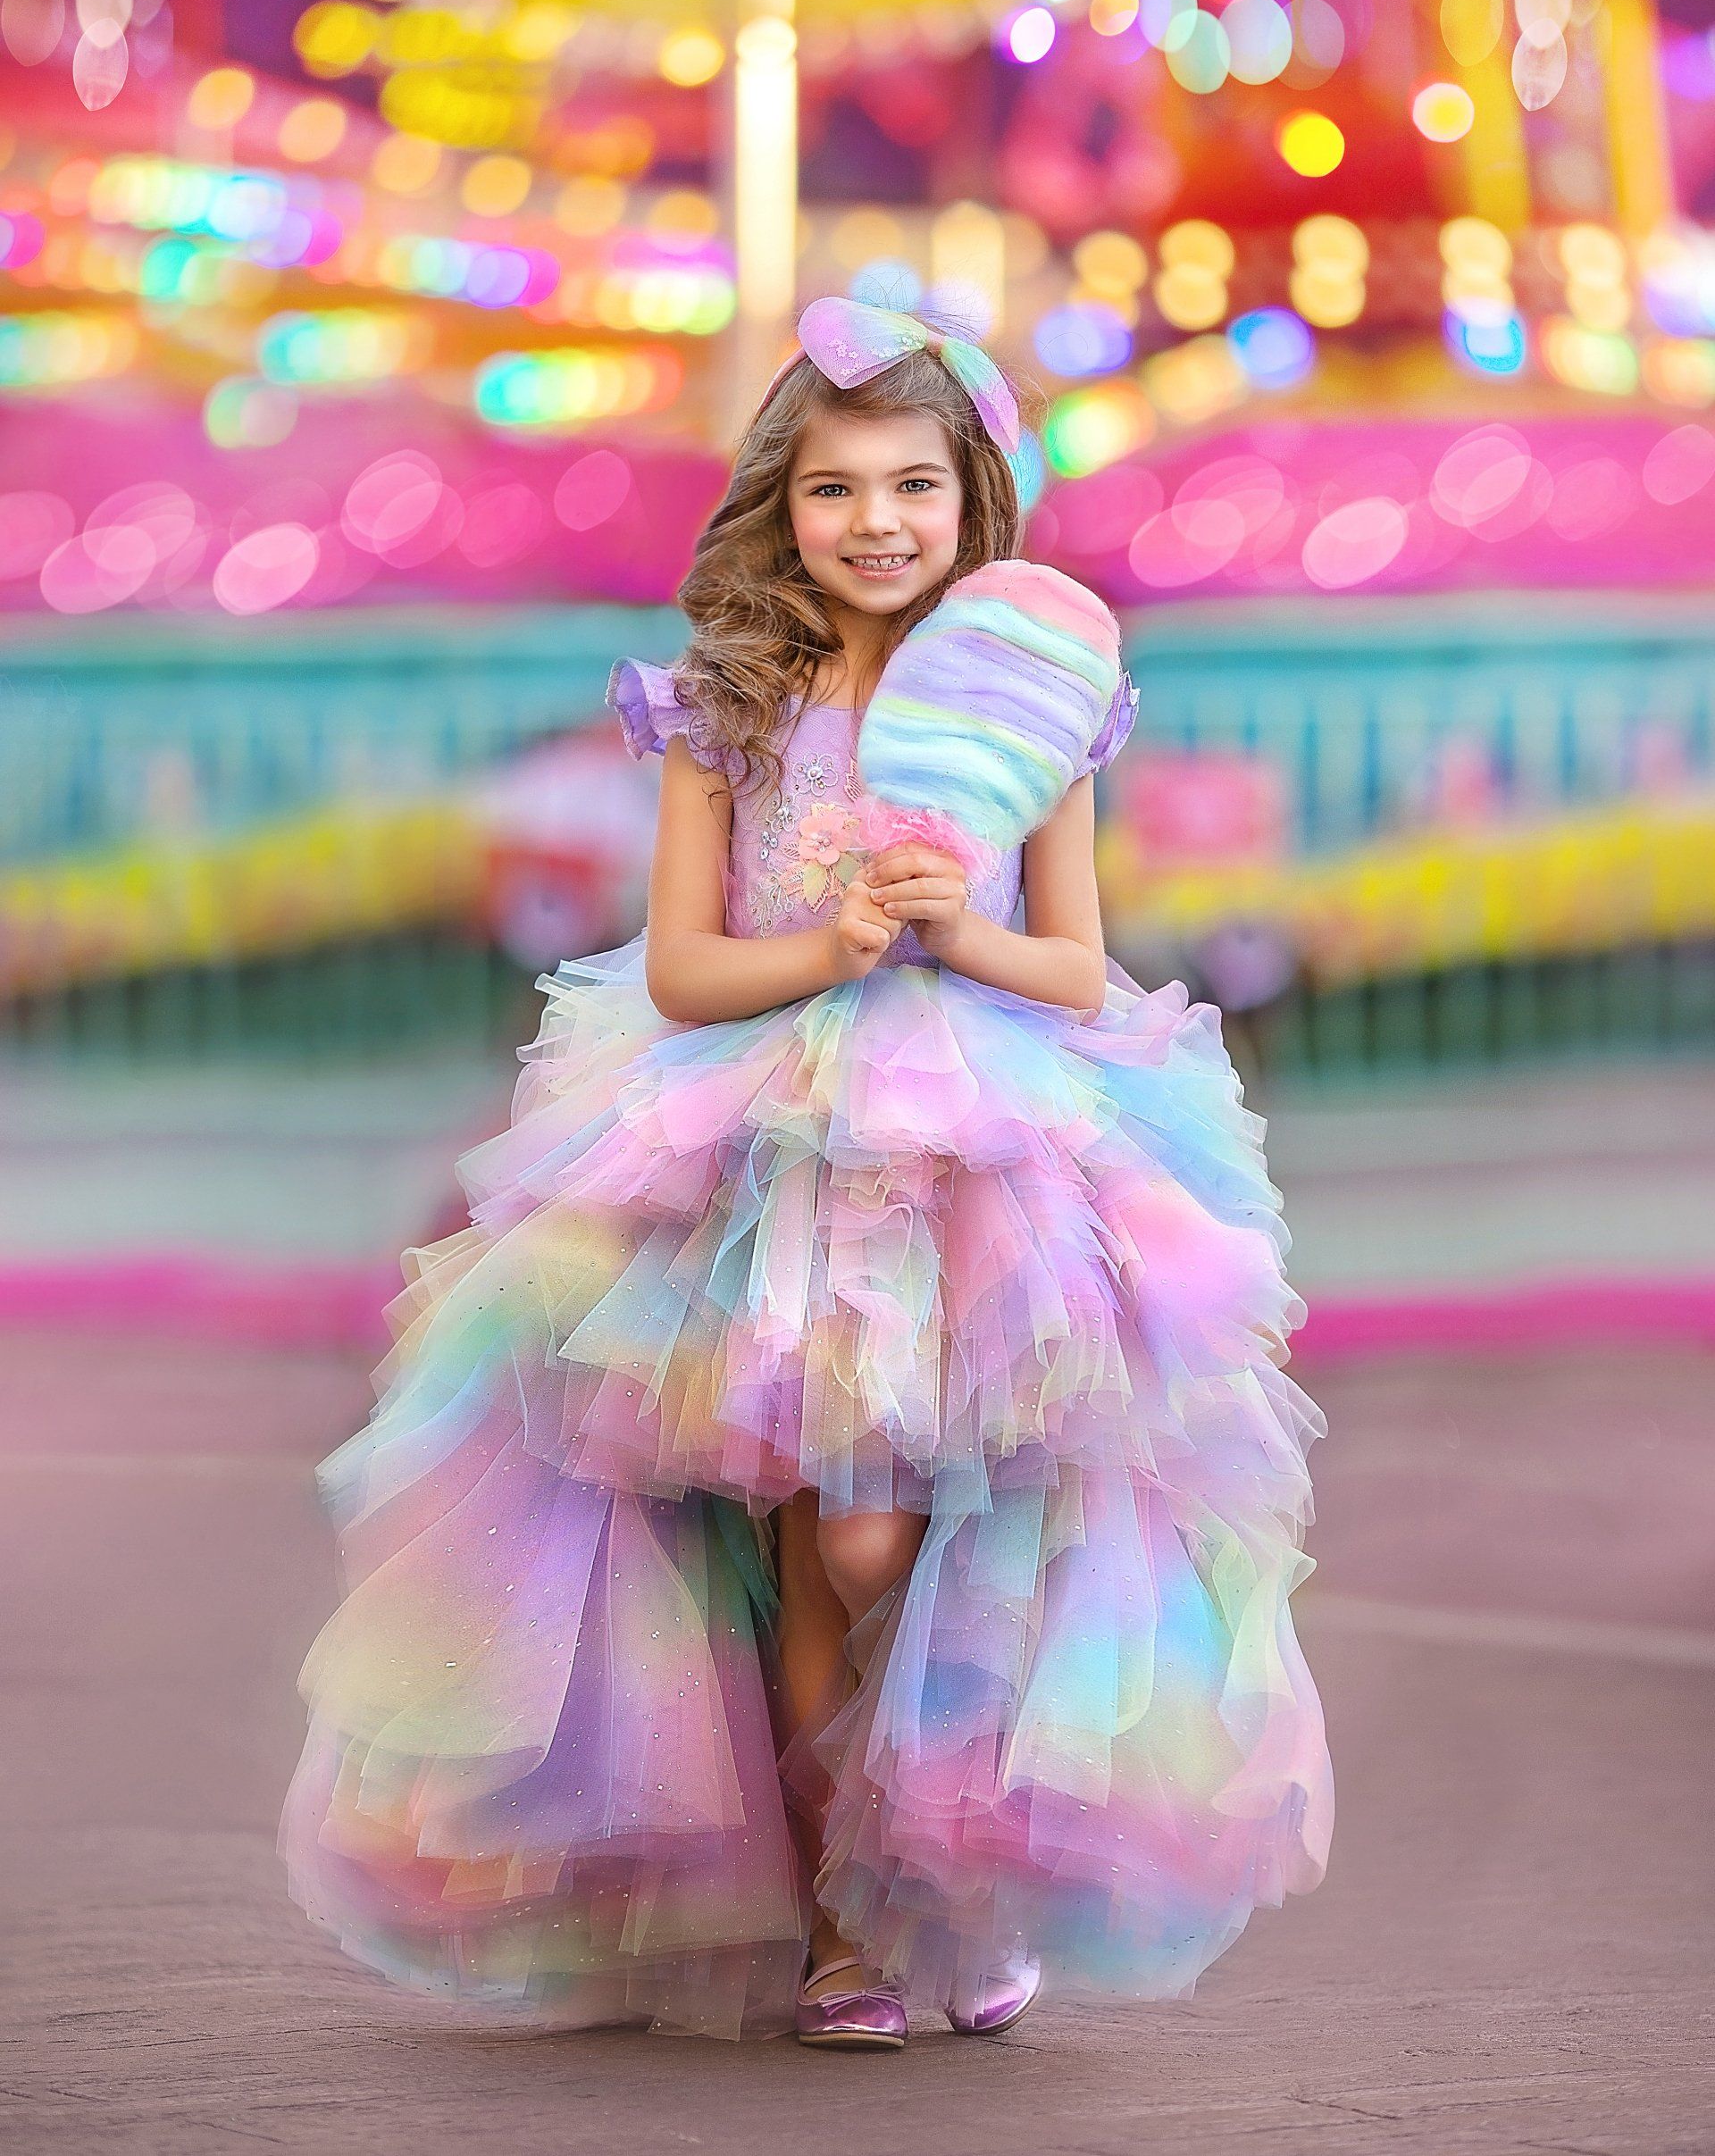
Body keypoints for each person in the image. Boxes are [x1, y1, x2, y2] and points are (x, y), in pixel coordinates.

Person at [281, 292, 1332, 2050]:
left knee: (915, 1537)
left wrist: (952, 929)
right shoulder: (727, 710)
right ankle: (843, 1928)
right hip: (767, 1146)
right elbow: (685, 966)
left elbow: (1075, 962)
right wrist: (826, 946)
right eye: (835, 487)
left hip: (976, 1156)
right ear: (781, 503)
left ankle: (950, 1887)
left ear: (970, 500)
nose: (877, 522)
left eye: (914, 485)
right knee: (813, 1532)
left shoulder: (1031, 710)